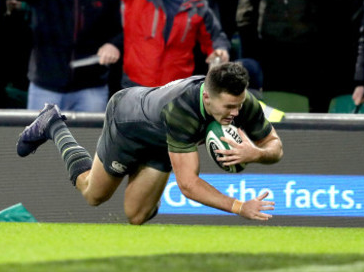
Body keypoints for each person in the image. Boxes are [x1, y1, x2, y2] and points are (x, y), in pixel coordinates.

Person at [16, 62, 283, 224]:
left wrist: (256, 153)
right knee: (93, 194)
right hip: (127, 124)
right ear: (207, 99)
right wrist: (239, 207)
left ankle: (145, 181)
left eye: (238, 105)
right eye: (229, 107)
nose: (236, 114)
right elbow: (188, 185)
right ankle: (53, 123)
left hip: (163, 142)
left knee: (137, 216)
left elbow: (275, 145)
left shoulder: (240, 101)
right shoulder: (181, 109)